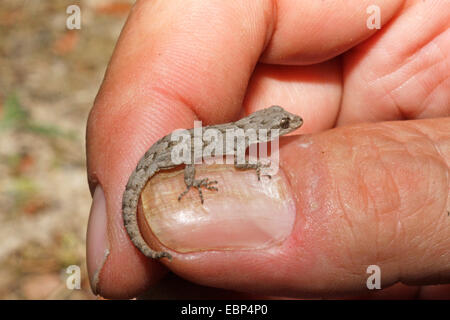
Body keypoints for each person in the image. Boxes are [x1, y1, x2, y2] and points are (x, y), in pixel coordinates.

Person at [85, 0, 450, 299]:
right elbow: (242, 163)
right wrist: (234, 176)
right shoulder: (243, 141)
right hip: (168, 154)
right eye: (283, 125)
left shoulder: (244, 134)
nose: (290, 126)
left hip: (167, 148)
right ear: (265, 128)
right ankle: (169, 212)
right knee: (187, 167)